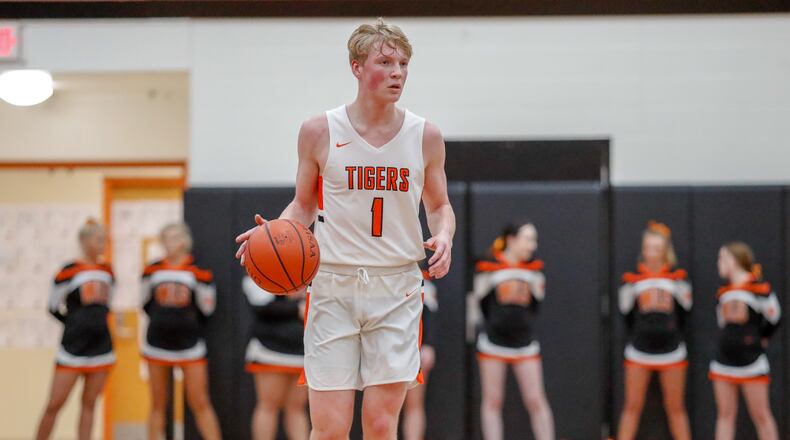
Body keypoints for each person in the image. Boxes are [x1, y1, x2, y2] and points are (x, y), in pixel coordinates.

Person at [235, 18, 455, 440]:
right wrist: (273, 235)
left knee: (378, 424)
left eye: (404, 64)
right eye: (385, 61)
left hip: (397, 288)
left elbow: (440, 205)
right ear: (356, 67)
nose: (397, 72)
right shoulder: (319, 131)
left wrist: (443, 235)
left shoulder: (425, 135)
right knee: (331, 428)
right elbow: (303, 205)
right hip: (333, 285)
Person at [472, 222, 554, 440]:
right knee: (492, 401)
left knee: (536, 399)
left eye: (534, 240)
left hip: (524, 345)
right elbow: (479, 305)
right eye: (528, 239)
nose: (532, 245)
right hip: (493, 344)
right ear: (512, 240)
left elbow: (536, 307)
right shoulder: (488, 269)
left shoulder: (535, 272)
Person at [35, 219, 115, 440]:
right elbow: (53, 307)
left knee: (89, 404)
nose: (103, 244)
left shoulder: (108, 271)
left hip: (101, 348)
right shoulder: (68, 272)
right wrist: (75, 325)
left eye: (105, 240)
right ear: (84, 240)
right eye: (99, 239)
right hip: (72, 348)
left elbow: (107, 306)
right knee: (54, 404)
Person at [141, 223, 221, 440]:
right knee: (158, 404)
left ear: (185, 241)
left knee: (200, 401)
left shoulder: (199, 272)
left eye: (173, 237)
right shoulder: (152, 269)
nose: (168, 242)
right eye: (165, 238)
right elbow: (144, 302)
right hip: (156, 344)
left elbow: (208, 308)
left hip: (190, 345)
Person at [617, 221, 692, 440]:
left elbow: (685, 313)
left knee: (676, 408)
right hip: (639, 351)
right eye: (648, 248)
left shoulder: (679, 278)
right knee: (632, 406)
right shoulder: (631, 279)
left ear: (666, 251)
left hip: (671, 351)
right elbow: (626, 314)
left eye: (657, 249)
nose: (652, 253)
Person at [710, 242, 780, 440]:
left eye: (722, 258)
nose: (719, 263)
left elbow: (775, 318)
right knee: (725, 415)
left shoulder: (759, 289)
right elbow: (722, 324)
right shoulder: (722, 292)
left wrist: (762, 338)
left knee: (761, 415)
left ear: (734, 261)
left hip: (752, 361)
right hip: (723, 361)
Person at [243, 275, 309, 440]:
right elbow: (261, 306)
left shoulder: (310, 261)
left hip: (302, 348)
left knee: (297, 408)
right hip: (270, 348)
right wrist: (296, 309)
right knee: (268, 405)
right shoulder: (261, 267)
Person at [401, 270, 438, 440]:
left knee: (414, 404)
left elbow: (429, 315)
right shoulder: (376, 275)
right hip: (384, 348)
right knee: (384, 405)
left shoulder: (423, 282)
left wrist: (428, 345)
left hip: (414, 350)